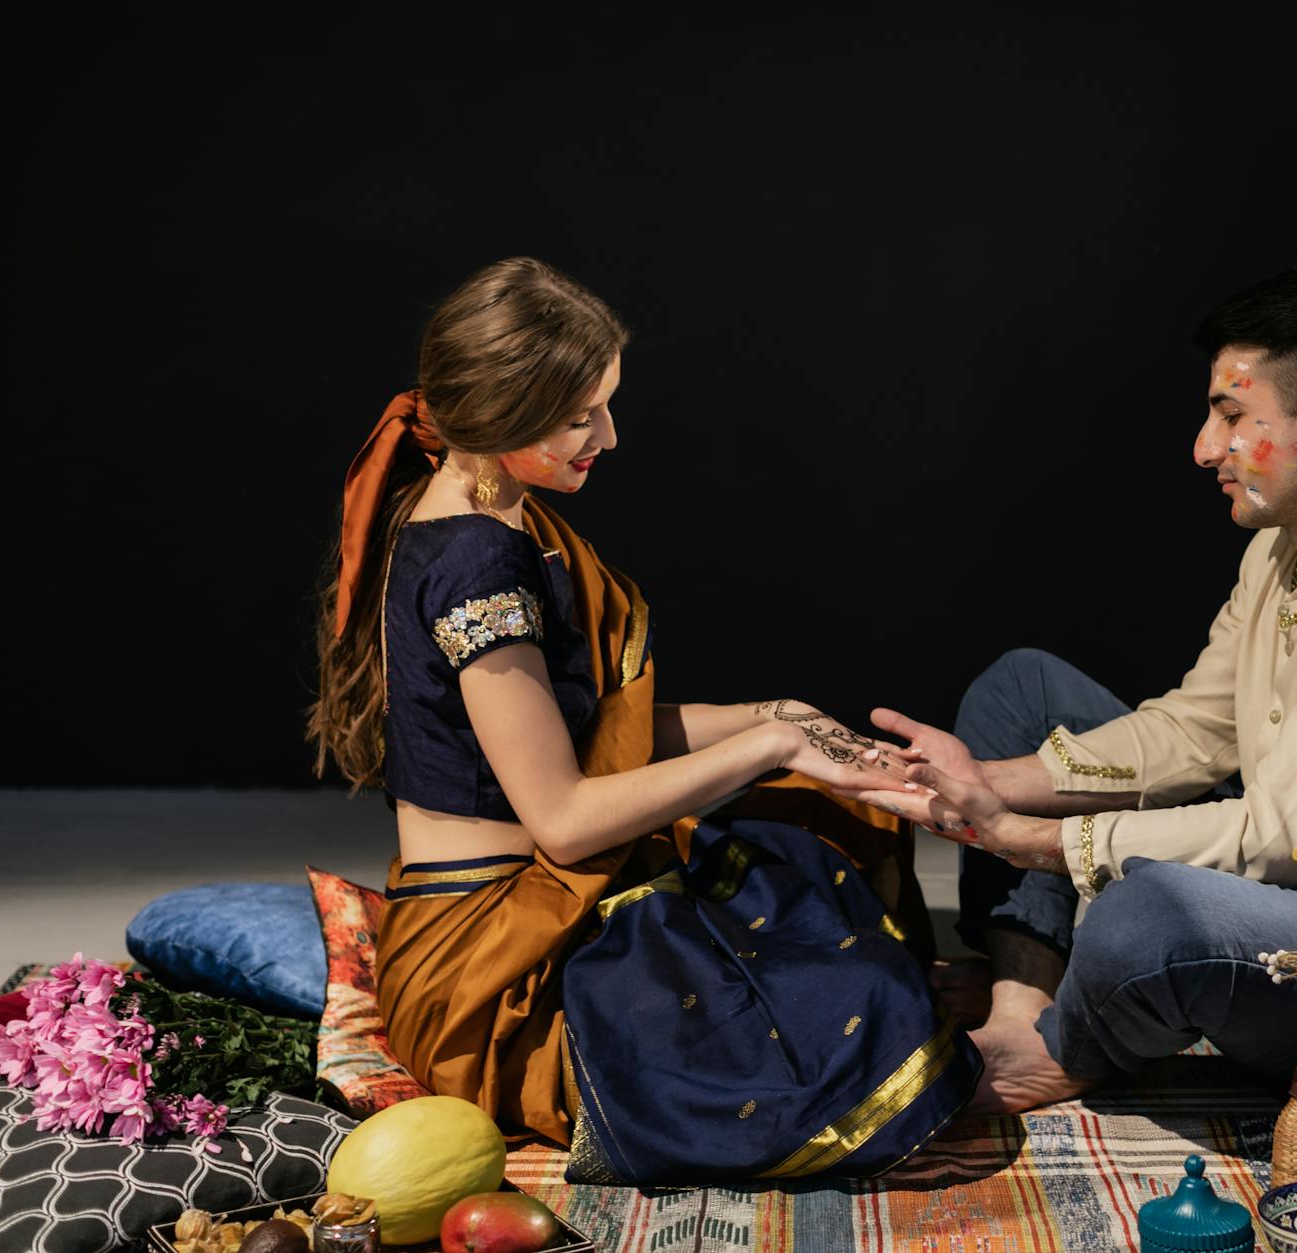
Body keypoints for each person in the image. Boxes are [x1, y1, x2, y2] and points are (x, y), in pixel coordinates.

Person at [306, 257, 979, 1180]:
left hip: (548, 896)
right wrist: (771, 743)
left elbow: (590, 734)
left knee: (813, 816)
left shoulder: (499, 513)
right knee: (824, 1015)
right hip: (494, 969)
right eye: (581, 414)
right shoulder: (474, 565)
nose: (609, 436)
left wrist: (782, 716)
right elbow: (566, 816)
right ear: (504, 412)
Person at [846, 263, 1297, 1113]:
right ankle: (1024, 1003)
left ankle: (1070, 1039)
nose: (1203, 447)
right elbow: (1190, 732)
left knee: (1149, 912)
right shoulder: (1281, 549)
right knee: (1019, 691)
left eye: (1229, 416)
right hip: (1291, 883)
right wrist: (984, 783)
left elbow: (1272, 838)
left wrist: (1029, 838)